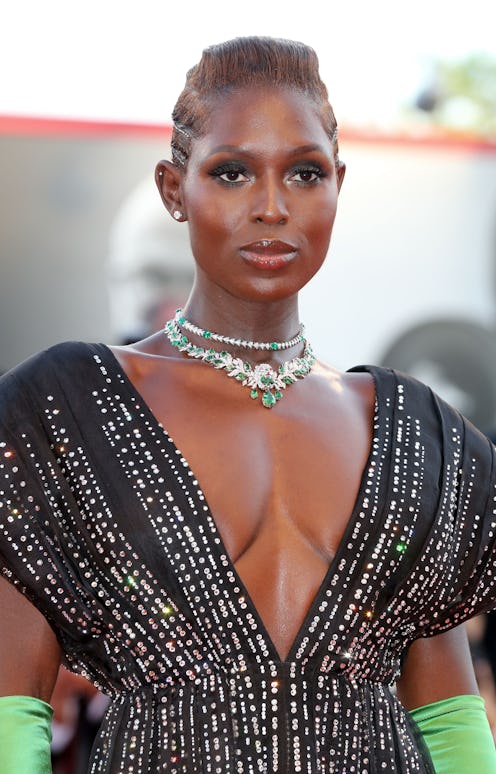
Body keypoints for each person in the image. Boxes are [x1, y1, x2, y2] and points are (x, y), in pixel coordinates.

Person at [0, 36, 495, 774]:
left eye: (304, 173)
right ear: (175, 189)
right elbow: (14, 713)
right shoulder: (66, 411)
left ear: (338, 185)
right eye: (232, 172)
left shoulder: (417, 432)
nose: (271, 207)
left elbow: (450, 719)